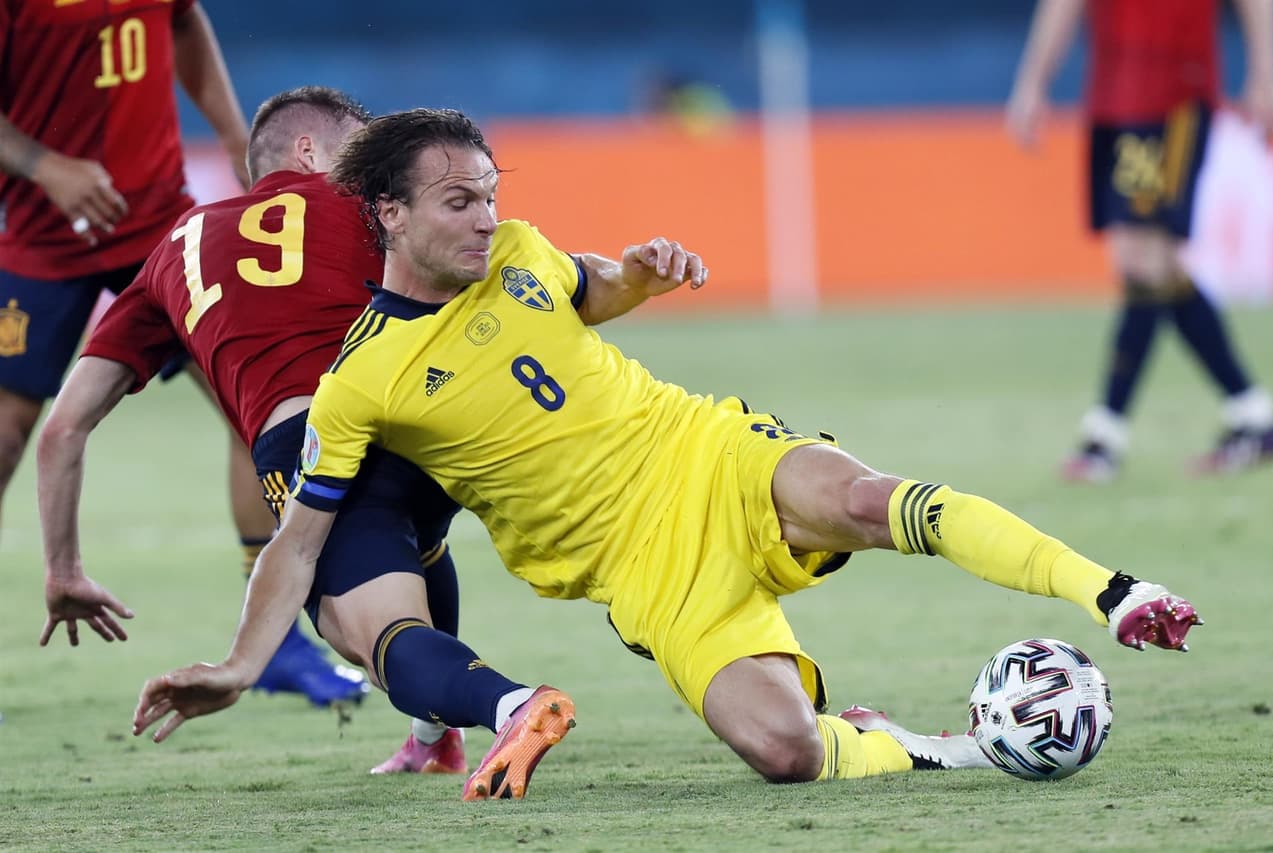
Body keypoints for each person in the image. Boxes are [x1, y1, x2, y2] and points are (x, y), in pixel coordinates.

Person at [132, 108, 1201, 793]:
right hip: (645, 573)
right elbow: (299, 539)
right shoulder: (361, 380)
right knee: (781, 751)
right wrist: (237, 660)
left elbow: (590, 285)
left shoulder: (515, 252)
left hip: (700, 453)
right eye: (459, 201)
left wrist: (642, 272)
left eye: (491, 195)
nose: (484, 218)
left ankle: (1110, 591)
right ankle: (946, 745)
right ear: (389, 214)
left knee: (871, 500)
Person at [36, 86, 567, 780]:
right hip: (433, 421)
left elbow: (65, 426)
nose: (379, 165)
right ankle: (433, 737)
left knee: (367, 633)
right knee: (416, 539)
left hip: (315, 446)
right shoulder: (377, 208)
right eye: (364, 146)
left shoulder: (180, 246)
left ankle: (514, 705)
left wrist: (64, 568)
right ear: (310, 150)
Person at [0, 0, 365, 705]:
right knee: (11, 435)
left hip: (158, 224)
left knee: (252, 403)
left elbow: (184, 21)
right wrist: (47, 167)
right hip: (42, 239)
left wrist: (234, 135)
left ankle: (279, 642)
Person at [1006, 0, 1273, 482]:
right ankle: (1253, 418)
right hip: (1113, 96)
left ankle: (1104, 435)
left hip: (1174, 92)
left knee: (1142, 260)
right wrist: (1033, 82)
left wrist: (1264, 71)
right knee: (1155, 266)